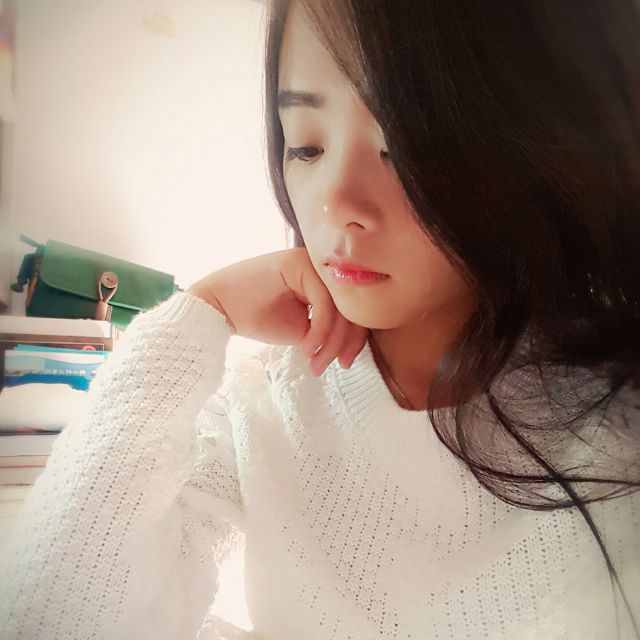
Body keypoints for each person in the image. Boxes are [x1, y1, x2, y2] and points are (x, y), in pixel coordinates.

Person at [1, 0, 639, 638]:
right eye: (305, 146)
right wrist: (201, 313)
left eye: (404, 147)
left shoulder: (615, 415)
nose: (335, 203)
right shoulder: (267, 398)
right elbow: (51, 617)